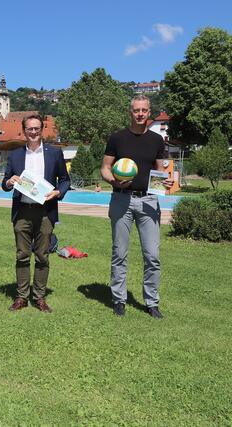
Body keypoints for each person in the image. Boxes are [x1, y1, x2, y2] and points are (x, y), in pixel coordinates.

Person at [100, 95, 174, 319]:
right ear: (130, 112)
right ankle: (119, 300)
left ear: (149, 112)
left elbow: (160, 172)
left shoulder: (156, 140)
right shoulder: (117, 138)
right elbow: (104, 167)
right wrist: (113, 181)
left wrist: (166, 182)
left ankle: (152, 302)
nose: (140, 114)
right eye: (136, 110)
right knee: (119, 253)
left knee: (152, 255)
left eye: (144, 110)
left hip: (149, 201)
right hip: (121, 198)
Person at [1, 114, 70, 313]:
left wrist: (58, 192)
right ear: (24, 131)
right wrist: (9, 182)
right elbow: (6, 183)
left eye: (37, 128)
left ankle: (39, 297)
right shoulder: (15, 155)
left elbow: (65, 180)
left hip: (45, 212)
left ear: (42, 130)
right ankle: (22, 296)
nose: (33, 132)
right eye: (30, 129)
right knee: (22, 255)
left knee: (42, 256)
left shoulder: (53, 153)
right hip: (22, 211)